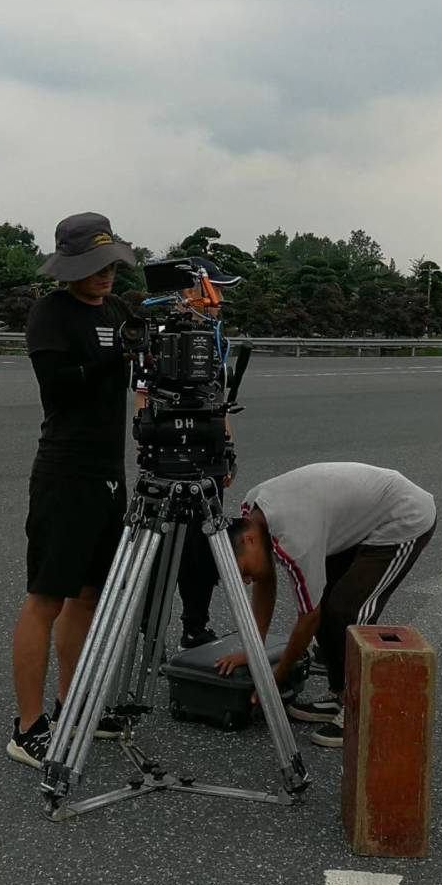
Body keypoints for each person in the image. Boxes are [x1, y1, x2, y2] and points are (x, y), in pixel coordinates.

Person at [7, 212, 136, 769]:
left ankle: (71, 704)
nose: (106, 275)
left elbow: (137, 374)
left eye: (111, 265)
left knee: (89, 595)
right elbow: (58, 386)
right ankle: (28, 726)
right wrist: (114, 356)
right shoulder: (51, 313)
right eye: (94, 266)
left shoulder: (118, 310)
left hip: (110, 471)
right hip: (65, 470)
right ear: (68, 266)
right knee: (46, 597)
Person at [220, 462, 437, 747]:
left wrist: (277, 677)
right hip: (357, 518)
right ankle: (340, 695)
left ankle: (361, 710)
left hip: (403, 516)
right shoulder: (252, 510)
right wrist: (253, 650)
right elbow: (265, 580)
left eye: (243, 570)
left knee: (348, 613)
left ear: (248, 540)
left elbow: (308, 617)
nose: (246, 580)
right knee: (327, 606)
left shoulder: (294, 538)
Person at [133, 255, 241, 649]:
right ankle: (151, 637)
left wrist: (226, 448)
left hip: (206, 458)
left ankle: (195, 628)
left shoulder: (215, 339)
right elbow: (142, 397)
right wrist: (149, 441)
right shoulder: (158, 338)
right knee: (157, 552)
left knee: (203, 552)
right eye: (213, 291)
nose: (218, 302)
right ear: (190, 292)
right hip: (167, 458)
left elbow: (218, 400)